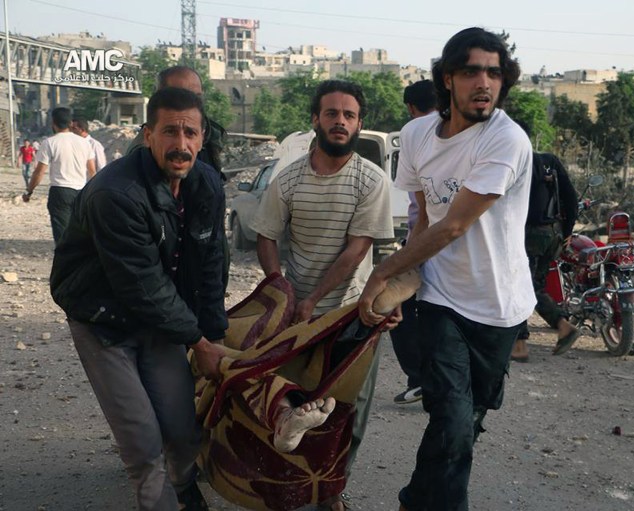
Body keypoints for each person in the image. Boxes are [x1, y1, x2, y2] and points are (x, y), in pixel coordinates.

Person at [357, 27, 536, 511]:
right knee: (453, 421)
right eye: (472, 70)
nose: (484, 82)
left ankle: (416, 500)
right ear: (447, 78)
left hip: (499, 305)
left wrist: (380, 271)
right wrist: (399, 285)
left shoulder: (506, 140)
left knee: (462, 428)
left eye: (495, 72)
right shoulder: (415, 135)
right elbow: (423, 220)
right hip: (441, 299)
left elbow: (454, 224)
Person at [49, 87, 229, 511]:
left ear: (203, 138)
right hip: (104, 320)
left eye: (190, 132)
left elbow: (210, 263)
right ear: (147, 134)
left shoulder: (205, 183)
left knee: (183, 428)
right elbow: (141, 284)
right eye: (170, 131)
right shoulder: (116, 193)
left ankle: (185, 486)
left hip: (161, 319)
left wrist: (214, 334)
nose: (180, 144)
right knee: (143, 443)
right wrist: (198, 343)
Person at [251, 79, 395, 511]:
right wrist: (280, 286)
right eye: (331, 113)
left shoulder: (371, 179)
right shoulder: (289, 178)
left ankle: (331, 489)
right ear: (315, 119)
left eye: (349, 115)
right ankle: (288, 484)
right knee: (293, 402)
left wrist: (312, 298)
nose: (340, 122)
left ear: (358, 124)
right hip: (296, 316)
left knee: (349, 407)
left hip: (354, 313)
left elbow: (358, 250)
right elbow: (266, 236)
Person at [127, 65, 230, 290]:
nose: (182, 144)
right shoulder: (142, 155)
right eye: (180, 94)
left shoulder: (208, 136)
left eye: (197, 96)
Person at [512, 121, 581, 361]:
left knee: (521, 286)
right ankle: (521, 342)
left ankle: (556, 327)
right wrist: (568, 231)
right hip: (552, 234)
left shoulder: (514, 163)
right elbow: (571, 199)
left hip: (527, 235)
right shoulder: (549, 161)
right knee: (533, 284)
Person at [391, 79, 437, 405]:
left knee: (397, 308)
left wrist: (406, 258)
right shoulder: (455, 132)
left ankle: (422, 379)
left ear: (410, 107)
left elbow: (424, 212)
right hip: (446, 241)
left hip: (426, 240)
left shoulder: (415, 135)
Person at [22, 107, 95, 245]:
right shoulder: (84, 143)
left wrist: (29, 191)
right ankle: (78, 264)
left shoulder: (50, 142)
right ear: (71, 123)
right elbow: (92, 171)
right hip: (81, 192)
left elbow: (39, 172)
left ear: (53, 123)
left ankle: (65, 263)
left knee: (62, 235)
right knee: (79, 233)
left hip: (60, 192)